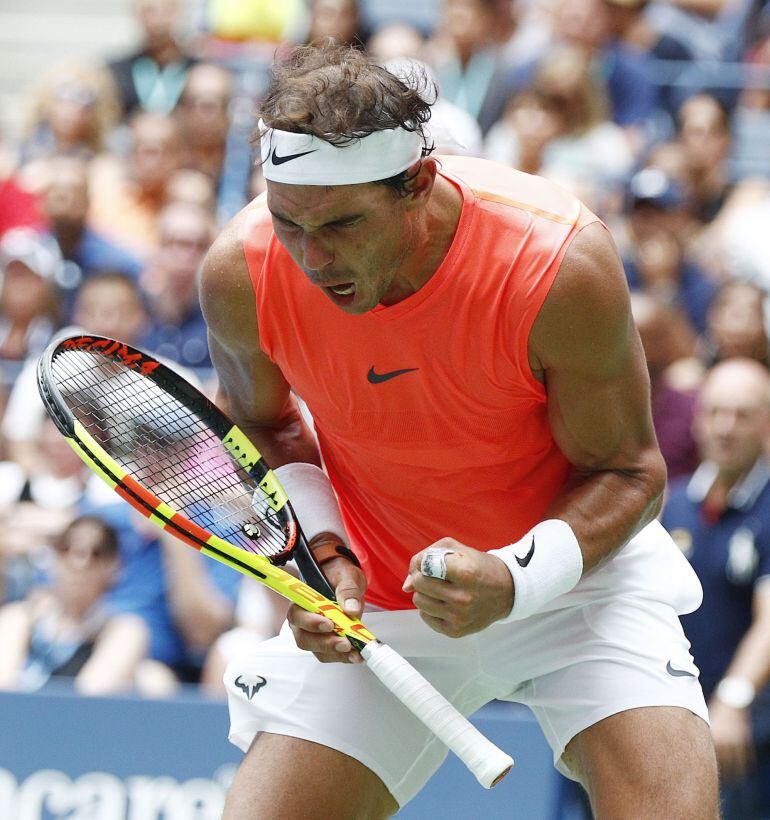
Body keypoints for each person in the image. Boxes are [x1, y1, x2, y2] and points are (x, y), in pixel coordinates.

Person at [200, 43, 718, 818]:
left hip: (576, 583)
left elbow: (631, 472)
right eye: (287, 221)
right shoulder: (241, 271)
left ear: (418, 182)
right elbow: (263, 428)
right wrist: (324, 554)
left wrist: (515, 579)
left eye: (340, 224)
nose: (309, 256)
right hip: (377, 600)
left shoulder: (556, 262)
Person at [661, 359, 770, 817]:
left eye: (742, 415)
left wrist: (733, 700)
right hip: (674, 721)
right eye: (716, 412)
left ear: (766, 422)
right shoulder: (675, 503)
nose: (725, 428)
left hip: (745, 731)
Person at [0, 515, 148, 695]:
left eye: (96, 552)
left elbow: (87, 701)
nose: (78, 561)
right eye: (66, 547)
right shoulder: (17, 617)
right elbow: (5, 691)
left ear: (115, 566)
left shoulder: (126, 630)